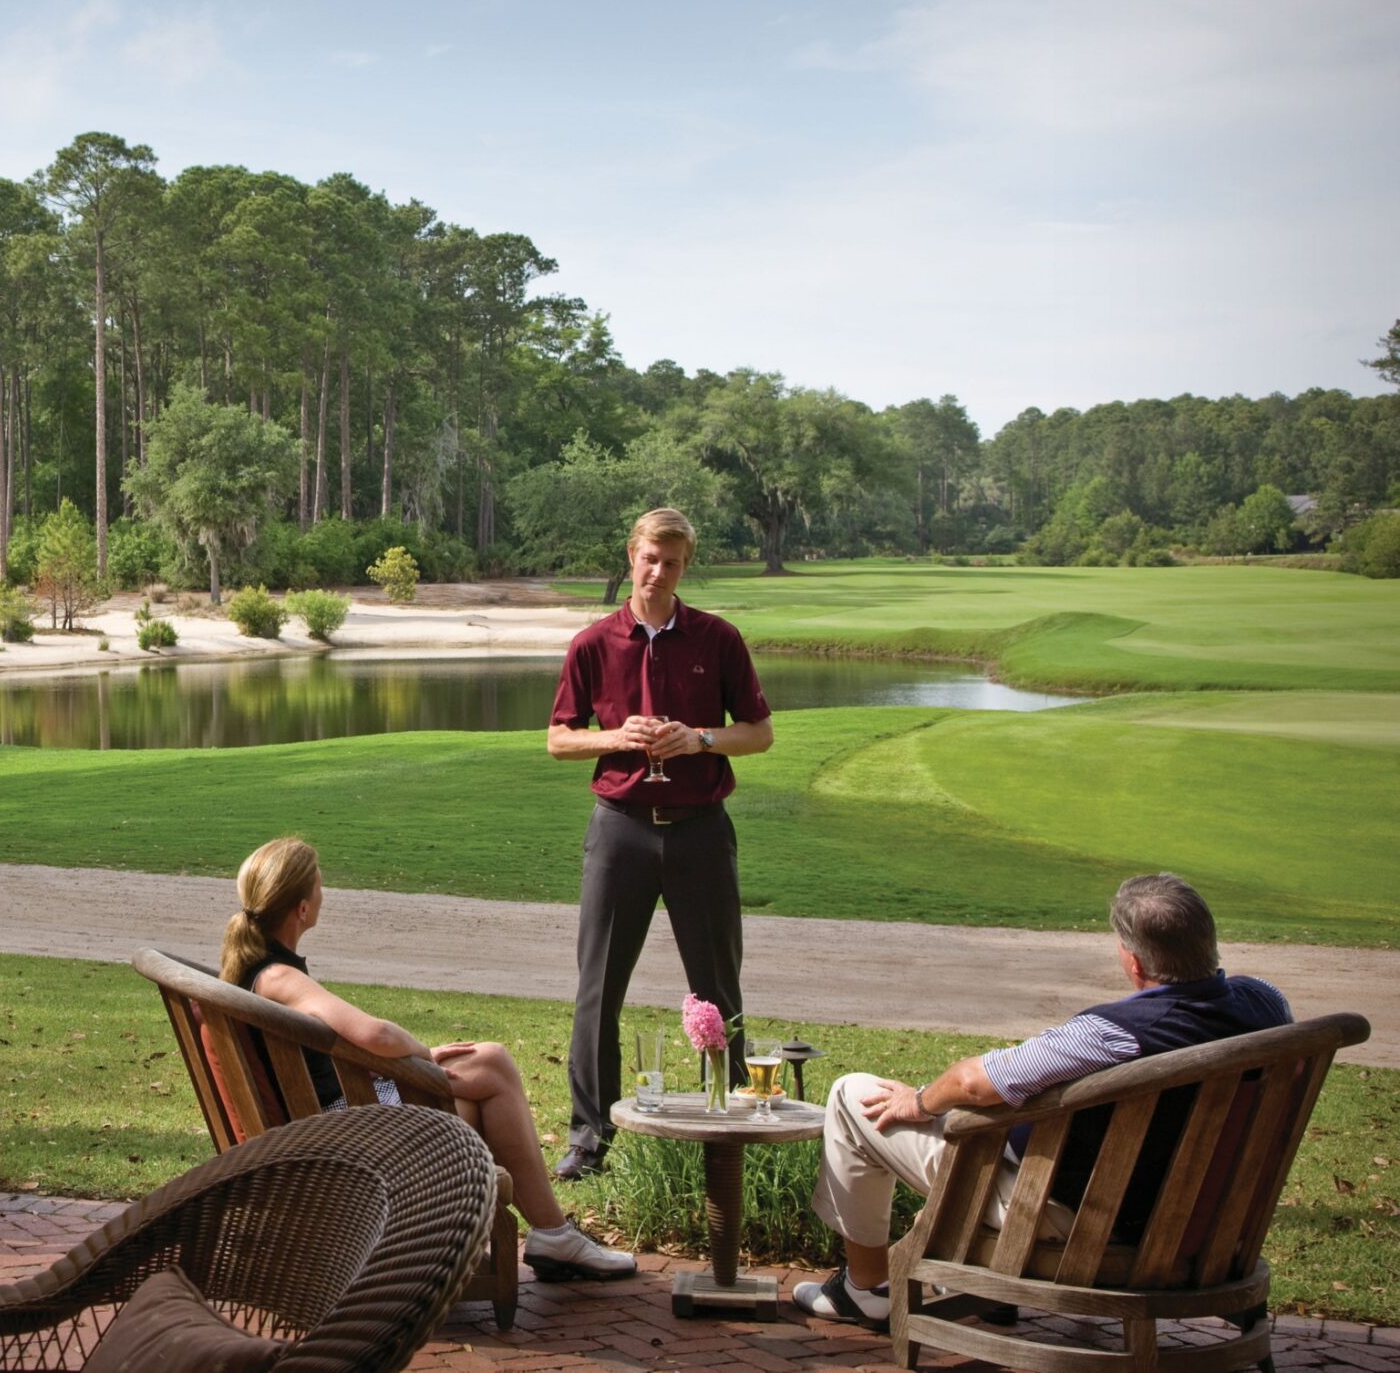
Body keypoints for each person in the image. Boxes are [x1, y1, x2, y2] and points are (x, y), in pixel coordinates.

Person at [793, 873, 1292, 1327]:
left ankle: (865, 1291)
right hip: (1204, 1221)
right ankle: (979, 1284)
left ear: (1133, 961)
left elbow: (975, 1083)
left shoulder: (1113, 1036)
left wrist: (920, 1101)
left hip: (1083, 1221)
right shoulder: (1267, 1002)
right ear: (1208, 945)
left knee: (852, 1095)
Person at [225, 837, 637, 1279]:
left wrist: (418, 1062)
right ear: (302, 909)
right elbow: (374, 1033)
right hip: (340, 1135)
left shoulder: (255, 968)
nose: (324, 894)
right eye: (320, 886)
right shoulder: (279, 977)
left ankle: (547, 1235)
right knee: (492, 1068)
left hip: (328, 1118)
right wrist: (422, 1054)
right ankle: (551, 1235)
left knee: (488, 1065)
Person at [547, 507, 773, 1179]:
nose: (658, 571)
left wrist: (699, 737)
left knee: (718, 992)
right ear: (631, 555)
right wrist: (619, 736)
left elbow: (758, 731)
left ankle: (735, 1128)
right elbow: (559, 738)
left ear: (684, 566)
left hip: (702, 830)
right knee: (598, 990)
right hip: (621, 831)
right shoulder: (593, 643)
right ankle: (589, 1140)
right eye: (649, 557)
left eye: (671, 562)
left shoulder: (717, 638)